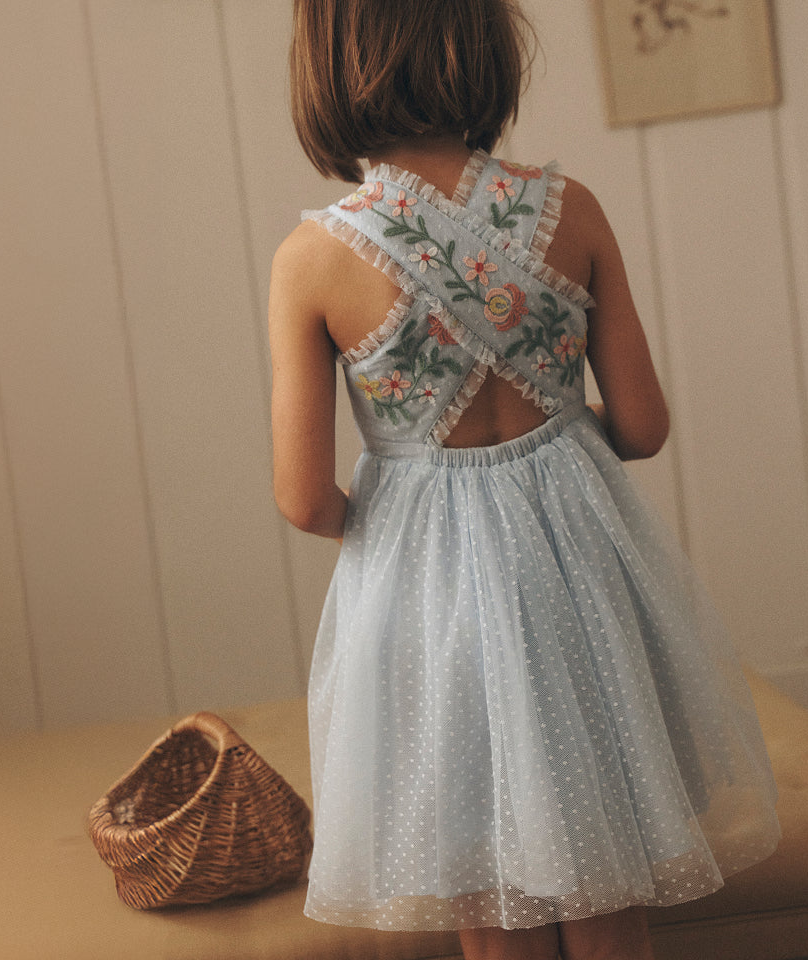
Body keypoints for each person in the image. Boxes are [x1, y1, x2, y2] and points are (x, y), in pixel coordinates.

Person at [268, 1, 780, 957]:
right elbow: (642, 424)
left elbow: (303, 498)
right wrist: (548, 442)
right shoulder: (569, 210)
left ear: (326, 66)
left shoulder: (313, 260)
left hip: (431, 598)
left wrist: (409, 511)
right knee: (604, 880)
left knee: (488, 896)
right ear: (483, 45)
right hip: (578, 576)